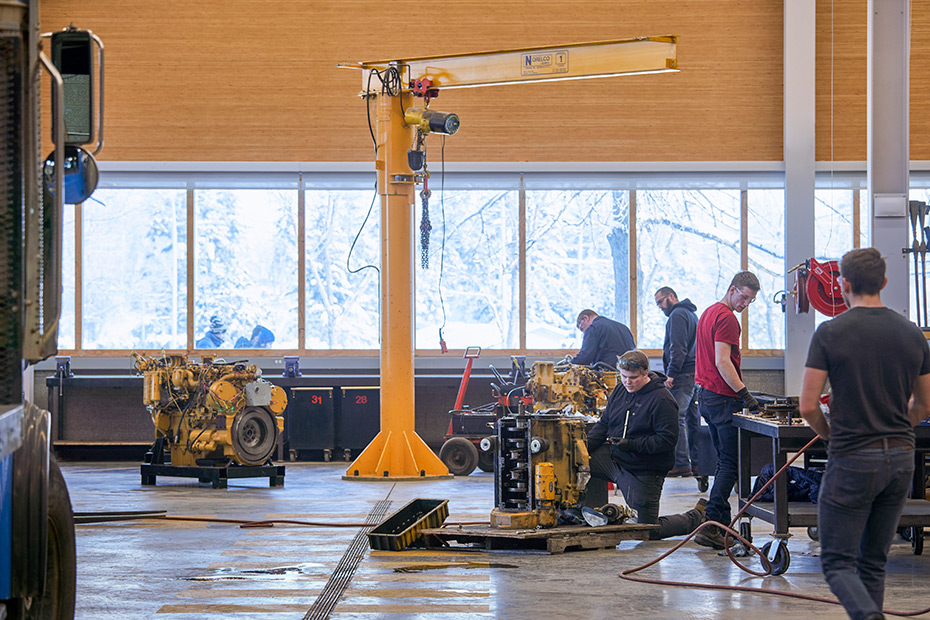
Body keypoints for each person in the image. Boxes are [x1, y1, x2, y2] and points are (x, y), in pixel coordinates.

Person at [799, 248, 930, 620]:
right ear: (884, 283)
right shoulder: (912, 334)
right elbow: (924, 405)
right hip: (901, 459)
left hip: (853, 458)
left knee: (838, 563)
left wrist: (829, 436)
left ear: (842, 285)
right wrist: (897, 428)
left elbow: (808, 406)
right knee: (873, 561)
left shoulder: (830, 332)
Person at [587, 350, 705, 540]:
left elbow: (666, 441)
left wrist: (631, 444)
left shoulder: (663, 400)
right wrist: (582, 449)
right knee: (578, 463)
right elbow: (604, 424)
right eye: (623, 377)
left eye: (633, 378)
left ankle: (696, 518)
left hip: (644, 469)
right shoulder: (620, 390)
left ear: (646, 373)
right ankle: (585, 514)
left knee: (646, 530)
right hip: (614, 458)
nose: (628, 382)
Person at [692, 271, 761, 550]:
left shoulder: (709, 312)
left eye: (751, 300)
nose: (745, 303)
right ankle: (713, 522)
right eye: (744, 297)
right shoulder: (727, 318)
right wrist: (745, 394)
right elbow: (723, 362)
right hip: (722, 397)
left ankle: (718, 524)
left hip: (706, 395)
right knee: (731, 464)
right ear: (732, 289)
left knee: (723, 461)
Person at [655, 287, 700, 477]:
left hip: (682, 375)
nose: (660, 307)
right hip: (694, 373)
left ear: (671, 296)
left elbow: (678, 348)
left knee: (676, 417)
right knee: (692, 419)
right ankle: (698, 463)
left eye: (661, 301)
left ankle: (681, 463)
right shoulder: (690, 314)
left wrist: (671, 374)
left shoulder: (678, 315)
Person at [571, 309, 635, 369]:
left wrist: (569, 366)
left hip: (608, 373)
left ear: (585, 318)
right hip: (628, 373)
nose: (584, 332)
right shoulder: (623, 327)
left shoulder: (593, 328)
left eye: (582, 328)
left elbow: (585, 357)